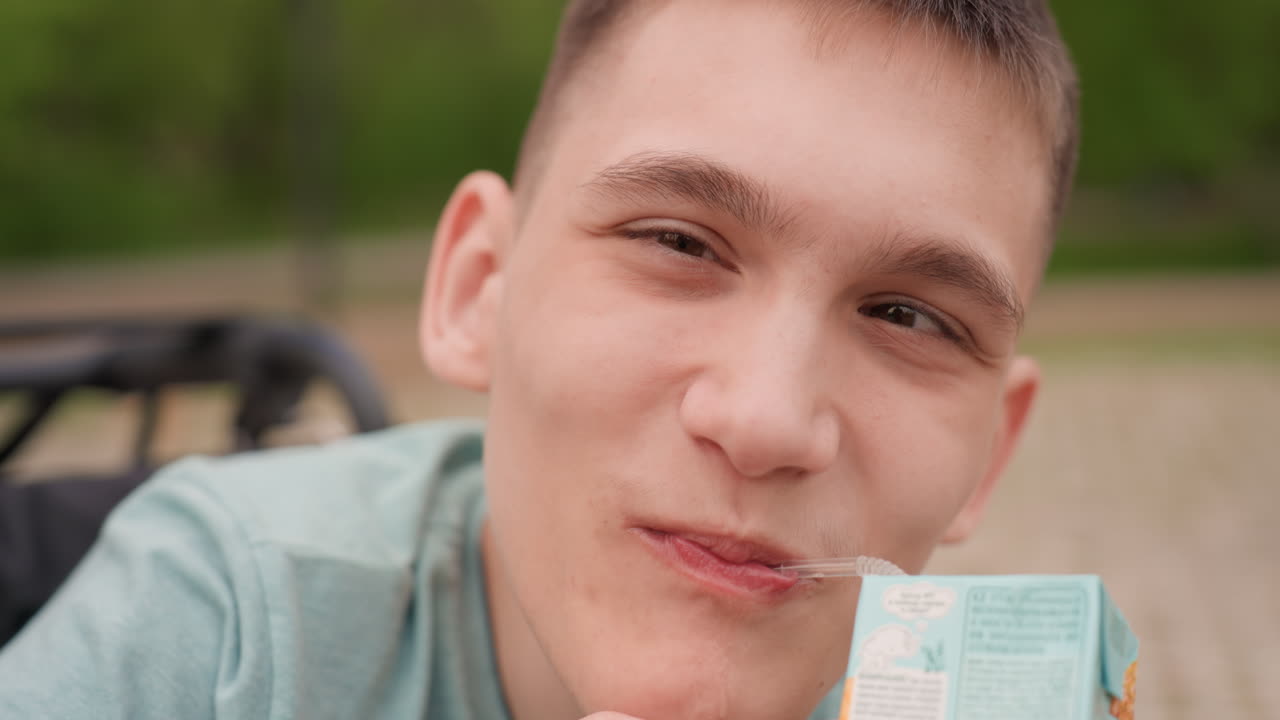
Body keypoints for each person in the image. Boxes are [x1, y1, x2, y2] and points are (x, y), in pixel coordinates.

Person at [0, 1, 1079, 718]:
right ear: (478, 289)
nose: (764, 420)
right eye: (678, 244)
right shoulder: (223, 637)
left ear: (989, 455)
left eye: (907, 316)